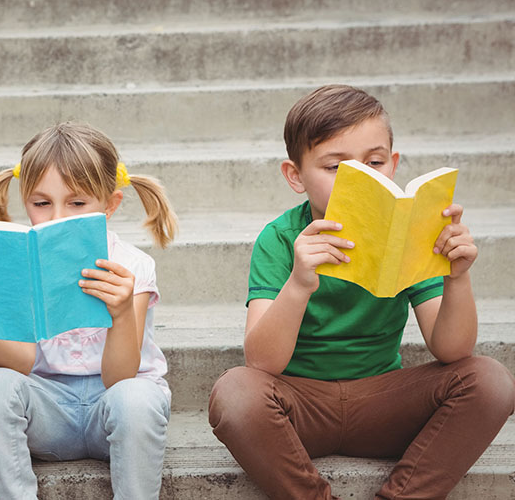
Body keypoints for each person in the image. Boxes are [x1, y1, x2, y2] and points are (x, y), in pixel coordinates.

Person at [208, 84, 515, 500]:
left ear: (394, 164)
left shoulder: (412, 235)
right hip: (301, 405)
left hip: (385, 401)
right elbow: (262, 361)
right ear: (295, 176)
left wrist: (456, 277)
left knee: (491, 381)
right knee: (235, 393)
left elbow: (453, 350)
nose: (362, 178)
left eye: (374, 161)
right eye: (336, 167)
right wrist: (299, 282)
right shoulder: (280, 240)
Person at [0, 122, 177, 499]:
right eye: (41, 204)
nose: (57, 219)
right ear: (25, 201)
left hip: (113, 410)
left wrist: (119, 315)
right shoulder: (15, 263)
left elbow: (121, 379)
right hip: (47, 408)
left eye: (77, 203)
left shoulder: (131, 266)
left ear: (110, 205)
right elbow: (19, 364)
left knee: (138, 397)